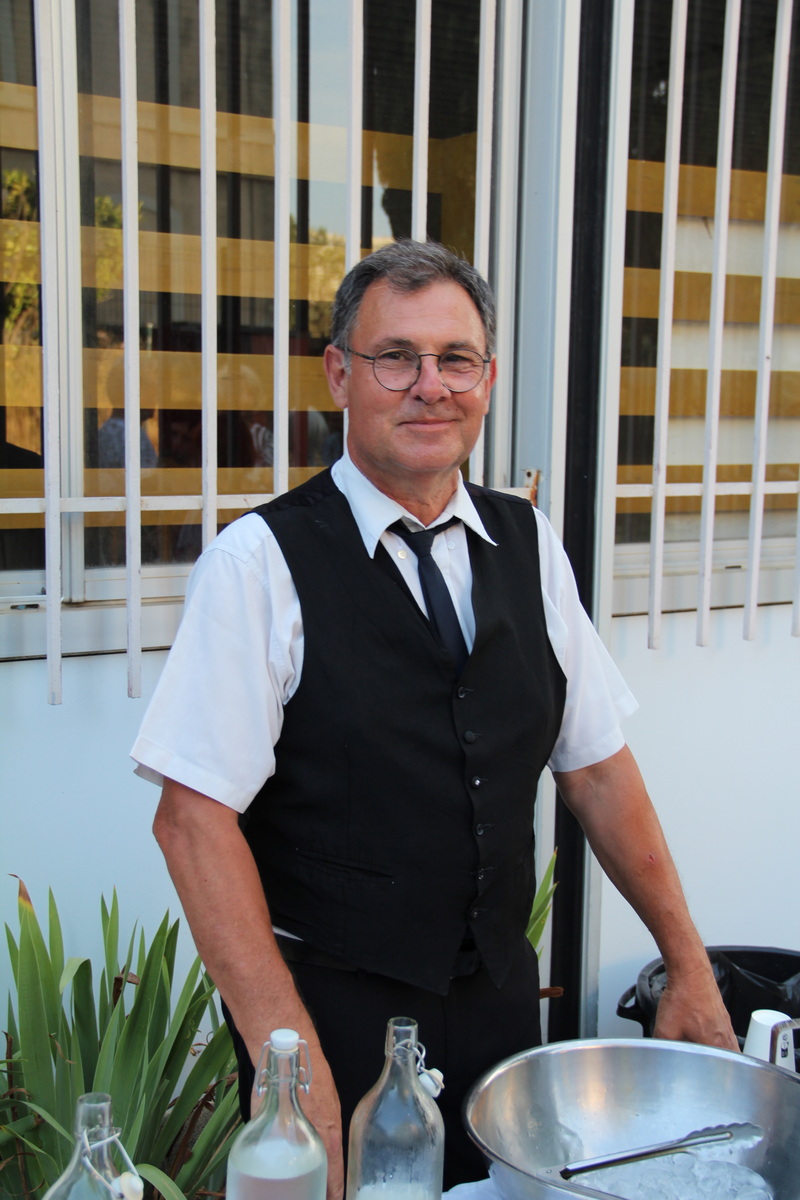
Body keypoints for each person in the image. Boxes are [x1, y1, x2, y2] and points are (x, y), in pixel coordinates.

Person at [131, 240, 736, 1199]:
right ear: (340, 374)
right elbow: (192, 821)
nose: (430, 386)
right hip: (329, 1016)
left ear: (486, 379)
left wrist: (688, 964)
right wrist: (291, 1067)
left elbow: (596, 769)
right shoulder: (258, 563)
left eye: (456, 359)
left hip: (499, 1003)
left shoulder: (528, 542)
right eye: (395, 358)